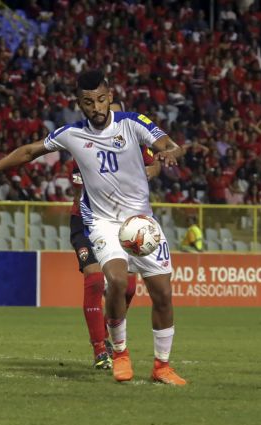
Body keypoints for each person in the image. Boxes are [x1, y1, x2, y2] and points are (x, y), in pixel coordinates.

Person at [0, 70, 187, 385]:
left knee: (163, 293)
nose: (96, 107)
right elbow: (28, 153)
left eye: (101, 99)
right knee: (117, 282)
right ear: (79, 103)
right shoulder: (71, 134)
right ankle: (119, 353)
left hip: (142, 222)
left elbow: (171, 144)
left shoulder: (133, 123)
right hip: (102, 222)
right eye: (88, 102)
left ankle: (162, 366)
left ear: (110, 96)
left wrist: (169, 153)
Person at [69, 101, 161, 370]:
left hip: (126, 223)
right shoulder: (84, 144)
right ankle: (100, 348)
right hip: (88, 223)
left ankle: (111, 328)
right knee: (96, 279)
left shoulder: (130, 140)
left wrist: (145, 173)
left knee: (128, 287)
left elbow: (154, 165)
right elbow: (77, 190)